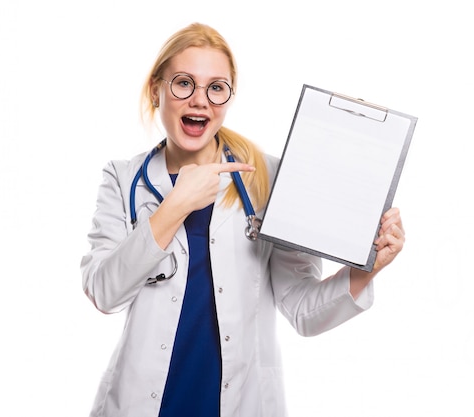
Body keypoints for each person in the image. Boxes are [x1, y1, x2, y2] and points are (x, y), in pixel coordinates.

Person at [80, 22, 405, 417]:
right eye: (184, 83)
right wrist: (174, 206)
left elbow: (302, 309)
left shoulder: (267, 178)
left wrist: (366, 270)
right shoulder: (123, 178)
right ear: (156, 90)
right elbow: (104, 291)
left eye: (216, 87)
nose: (200, 100)